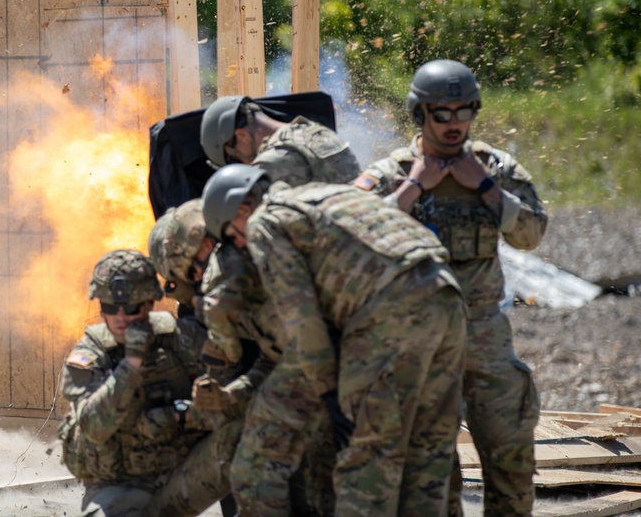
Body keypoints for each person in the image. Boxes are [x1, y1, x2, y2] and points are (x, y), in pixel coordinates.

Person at [203, 163, 467, 516]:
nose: (241, 245)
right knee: (429, 459)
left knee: (364, 468)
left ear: (242, 209)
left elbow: (301, 316)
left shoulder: (267, 221)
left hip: (389, 312)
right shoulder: (327, 194)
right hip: (446, 296)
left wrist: (329, 392)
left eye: (234, 236)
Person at [354, 59, 548, 516]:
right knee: (431, 482)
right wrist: (412, 190)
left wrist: (484, 188)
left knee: (513, 462)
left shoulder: (495, 168)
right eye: (443, 113)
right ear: (419, 114)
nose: (455, 123)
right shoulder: (390, 173)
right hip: (416, 342)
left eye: (466, 111)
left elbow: (532, 234)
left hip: (484, 336)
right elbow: (352, 240)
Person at [148, 197, 329, 516]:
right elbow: (276, 357)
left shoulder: (233, 279)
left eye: (192, 271)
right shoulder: (255, 264)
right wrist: (233, 394)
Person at [58, 249, 242, 517]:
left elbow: (233, 396)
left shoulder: (182, 339)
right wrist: (131, 363)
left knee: (248, 437)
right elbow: (95, 427)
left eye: (131, 308)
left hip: (183, 475)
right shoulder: (90, 354)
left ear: (149, 304)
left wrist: (183, 415)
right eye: (110, 307)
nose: (120, 317)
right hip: (121, 485)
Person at [199, 95, 359, 188]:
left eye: (234, 158)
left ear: (242, 136)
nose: (243, 165)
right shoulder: (315, 130)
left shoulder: (271, 162)